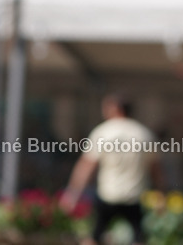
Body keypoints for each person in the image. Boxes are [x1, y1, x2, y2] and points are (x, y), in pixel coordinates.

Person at [61, 94, 160, 245]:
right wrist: (161, 193)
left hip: (108, 194)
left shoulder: (103, 132)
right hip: (134, 195)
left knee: (94, 237)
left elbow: (86, 166)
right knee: (138, 238)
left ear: (116, 109)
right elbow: (156, 169)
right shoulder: (144, 134)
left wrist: (73, 193)